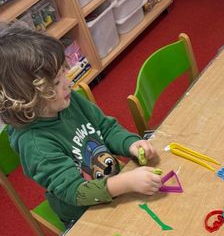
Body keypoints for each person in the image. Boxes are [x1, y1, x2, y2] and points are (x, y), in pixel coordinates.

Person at [0, 22, 162, 225]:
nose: (68, 83)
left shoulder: (66, 100)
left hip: (115, 184)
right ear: (27, 98)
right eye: (56, 82)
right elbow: (74, 191)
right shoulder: (34, 143)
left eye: (63, 73)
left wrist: (130, 143)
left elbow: (105, 128)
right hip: (84, 213)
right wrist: (125, 183)